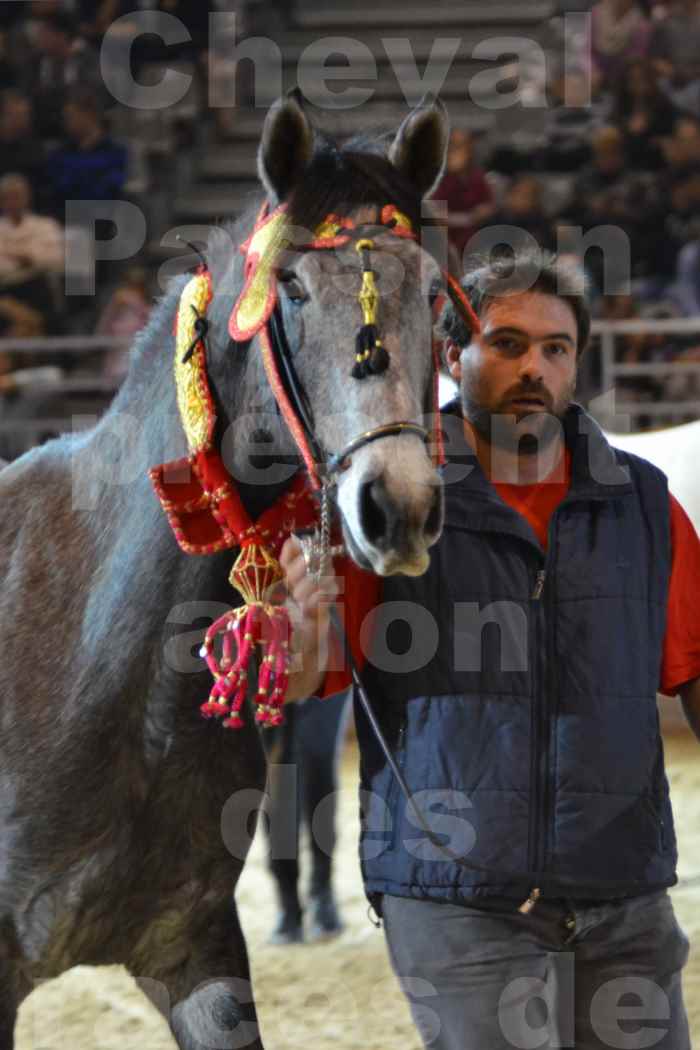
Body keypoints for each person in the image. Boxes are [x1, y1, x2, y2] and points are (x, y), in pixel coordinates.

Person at [280, 251, 700, 1049]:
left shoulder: (644, 503)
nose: (533, 367)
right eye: (506, 344)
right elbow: (312, 679)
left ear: (578, 361)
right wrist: (300, 629)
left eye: (555, 347)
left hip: (625, 895)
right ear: (451, 357)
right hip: (455, 897)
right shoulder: (393, 502)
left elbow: (692, 668)